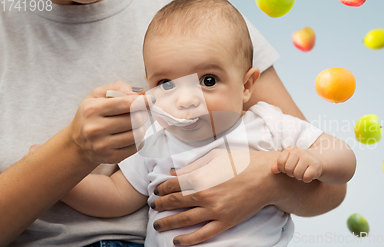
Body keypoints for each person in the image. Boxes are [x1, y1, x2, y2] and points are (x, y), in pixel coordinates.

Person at [0, 0, 353, 246]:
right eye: (166, 84)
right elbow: (118, 196)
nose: (186, 98)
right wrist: (60, 166)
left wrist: (310, 164)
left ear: (247, 85)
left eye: (209, 81)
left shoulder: (267, 124)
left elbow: (336, 168)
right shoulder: (159, 138)